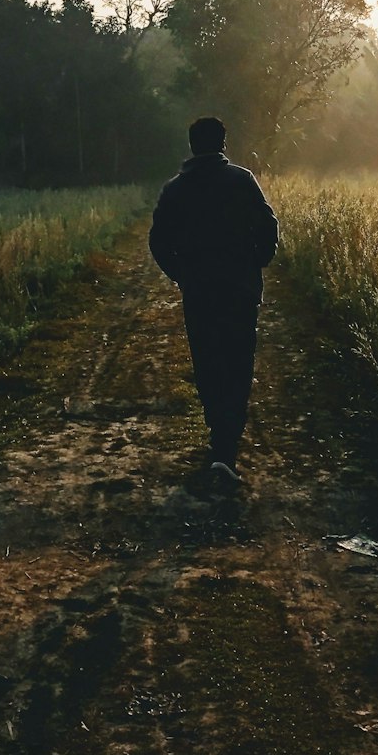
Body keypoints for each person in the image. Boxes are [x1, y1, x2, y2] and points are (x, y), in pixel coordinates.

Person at [148, 116, 279, 482]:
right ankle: (226, 446)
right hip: (240, 289)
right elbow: (268, 225)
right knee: (238, 362)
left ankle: (217, 436)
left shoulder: (175, 189)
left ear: (192, 146)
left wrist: (181, 274)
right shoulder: (242, 180)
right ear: (223, 143)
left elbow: (158, 241)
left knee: (207, 361)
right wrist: (257, 262)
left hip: (200, 291)